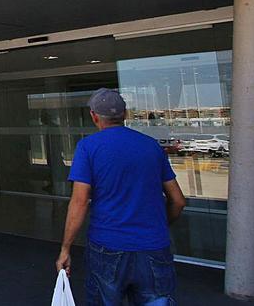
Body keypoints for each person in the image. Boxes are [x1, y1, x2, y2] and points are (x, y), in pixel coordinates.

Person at [56, 88, 187, 306]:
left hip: (107, 246)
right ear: (125, 114)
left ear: (94, 116)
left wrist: (65, 249)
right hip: (154, 246)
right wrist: (160, 226)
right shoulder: (151, 146)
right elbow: (178, 201)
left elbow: (79, 202)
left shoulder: (88, 148)